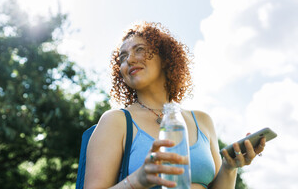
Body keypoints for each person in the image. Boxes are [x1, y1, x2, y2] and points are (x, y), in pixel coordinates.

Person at [84, 21, 265, 189]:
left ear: (165, 58)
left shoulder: (202, 120)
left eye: (139, 50)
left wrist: (229, 167)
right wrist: (137, 180)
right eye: (123, 57)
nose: (129, 59)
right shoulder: (116, 121)